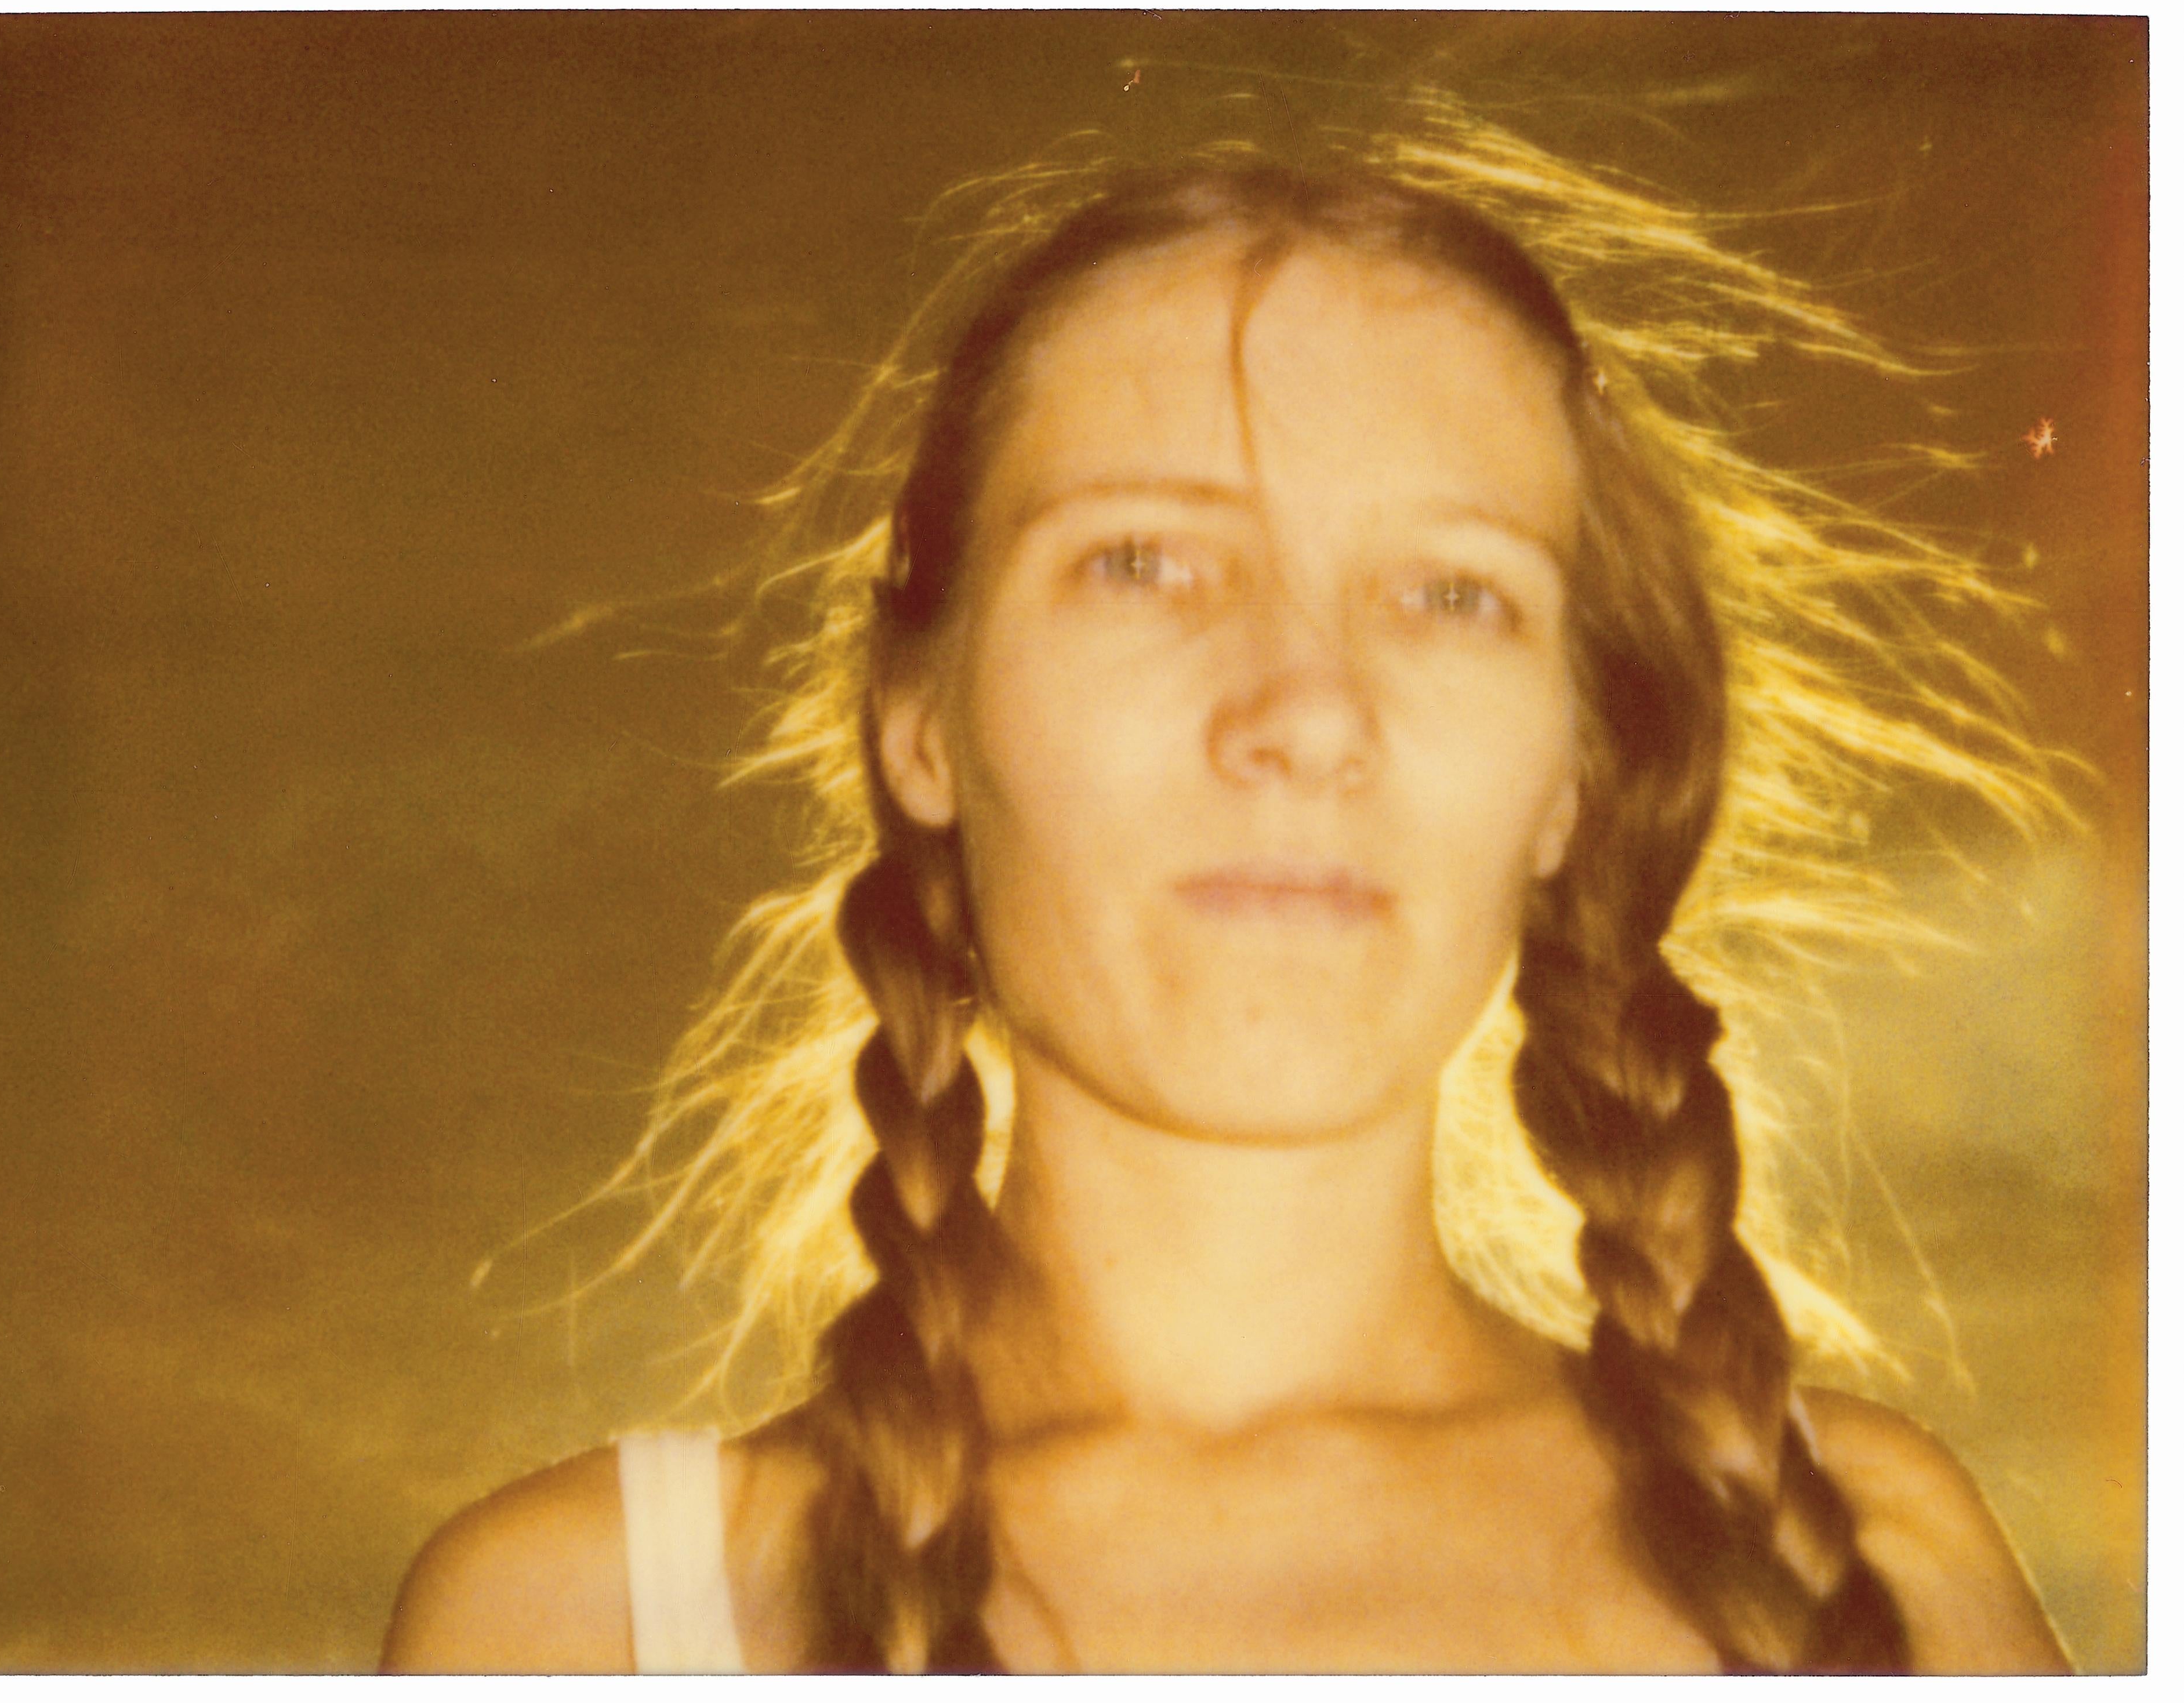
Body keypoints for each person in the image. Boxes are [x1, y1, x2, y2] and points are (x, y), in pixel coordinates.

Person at [381, 111, 2072, 1673]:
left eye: (1450, 595)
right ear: (922, 724)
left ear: (1570, 779)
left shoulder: (1874, 1569)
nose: (1307, 711)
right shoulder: (583, 1627)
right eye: (1143, 562)